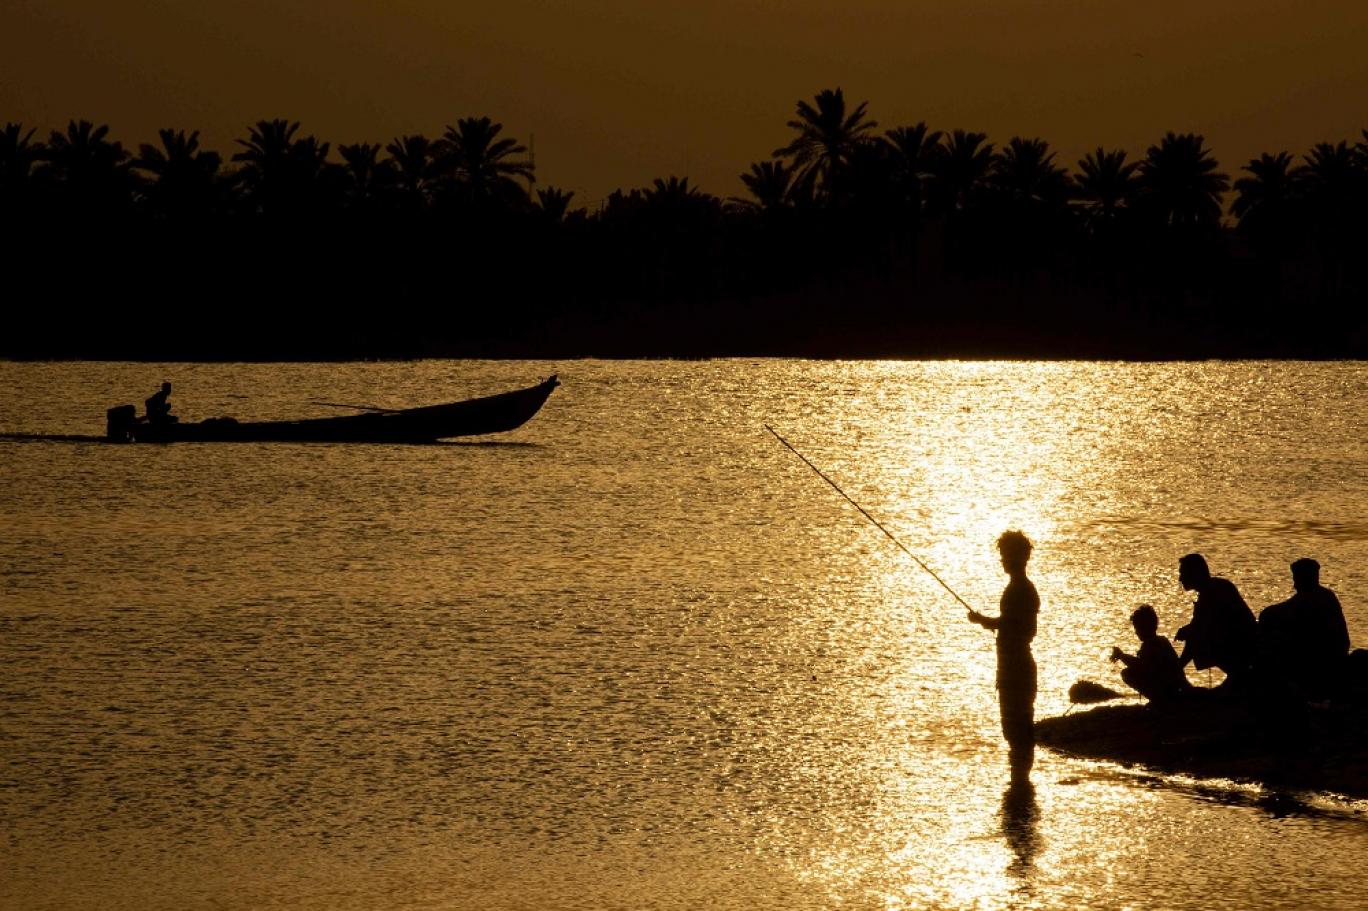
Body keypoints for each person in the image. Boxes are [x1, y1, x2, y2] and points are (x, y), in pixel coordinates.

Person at [968, 530, 1039, 783]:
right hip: (1012, 667)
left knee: (1017, 732)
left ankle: (1020, 788)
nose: (1003, 561)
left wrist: (983, 620)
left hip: (1017, 668)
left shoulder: (1021, 589)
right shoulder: (1019, 588)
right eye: (1003, 556)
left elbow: (1020, 626)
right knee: (1015, 732)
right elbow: (1014, 624)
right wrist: (987, 622)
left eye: (1006, 556)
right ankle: (1020, 788)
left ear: (1019, 558)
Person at [1257, 558, 1350, 701]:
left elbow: (1285, 613)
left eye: (1296, 579)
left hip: (1322, 660)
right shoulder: (1321, 596)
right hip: (1324, 655)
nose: (1294, 585)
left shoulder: (1316, 599)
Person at [1173, 553, 1257, 691]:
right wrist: (1189, 630)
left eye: (1183, 573)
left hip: (1242, 645)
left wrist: (1189, 632)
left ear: (1194, 573)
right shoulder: (1213, 589)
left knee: (1195, 637)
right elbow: (1201, 623)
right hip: (1238, 641)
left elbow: (1206, 626)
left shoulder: (1215, 591)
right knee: (1194, 635)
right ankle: (1235, 676)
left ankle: (1237, 675)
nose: (1180, 578)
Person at [1111, 604, 1190, 703]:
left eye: (1137, 628)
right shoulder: (1162, 641)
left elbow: (1141, 666)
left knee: (1127, 673)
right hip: (1176, 685)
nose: (1136, 632)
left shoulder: (1152, 645)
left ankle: (1159, 700)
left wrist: (1121, 656)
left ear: (1144, 627)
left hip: (1169, 688)